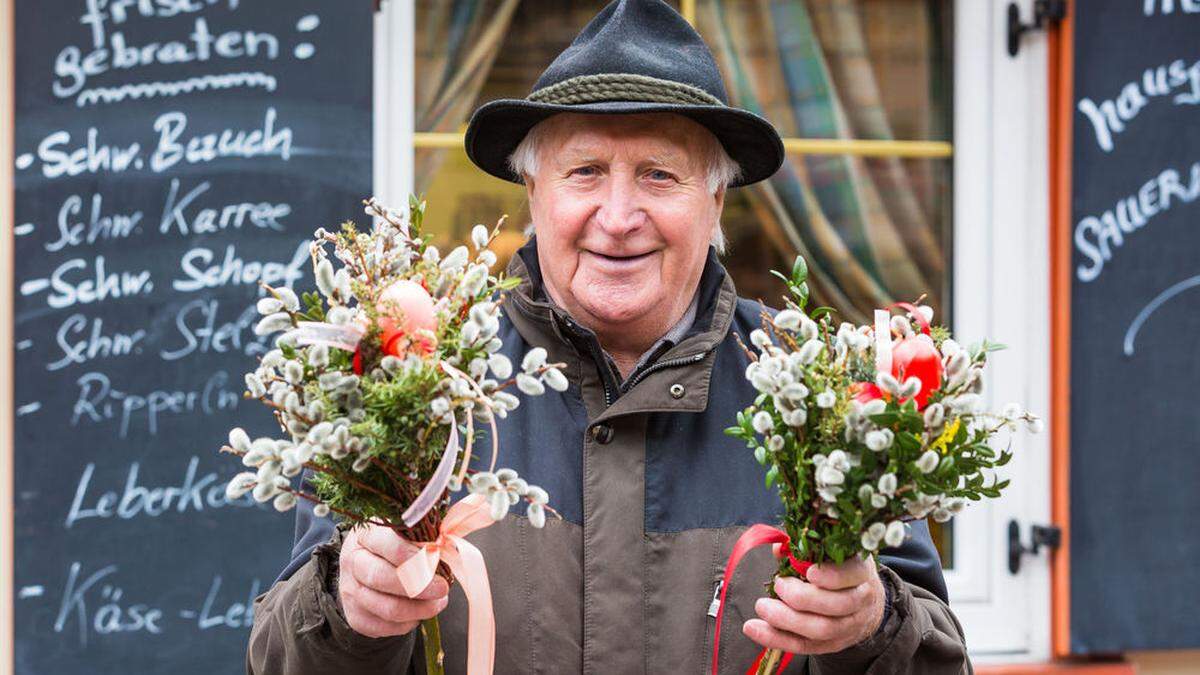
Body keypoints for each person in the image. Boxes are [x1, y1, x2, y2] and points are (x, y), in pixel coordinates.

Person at [247, 1, 970, 672]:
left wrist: (874, 621)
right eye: (585, 171)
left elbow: (940, 658)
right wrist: (344, 607)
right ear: (532, 193)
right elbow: (276, 657)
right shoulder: (414, 383)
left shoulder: (827, 402)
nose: (619, 215)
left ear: (715, 199)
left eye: (659, 174)